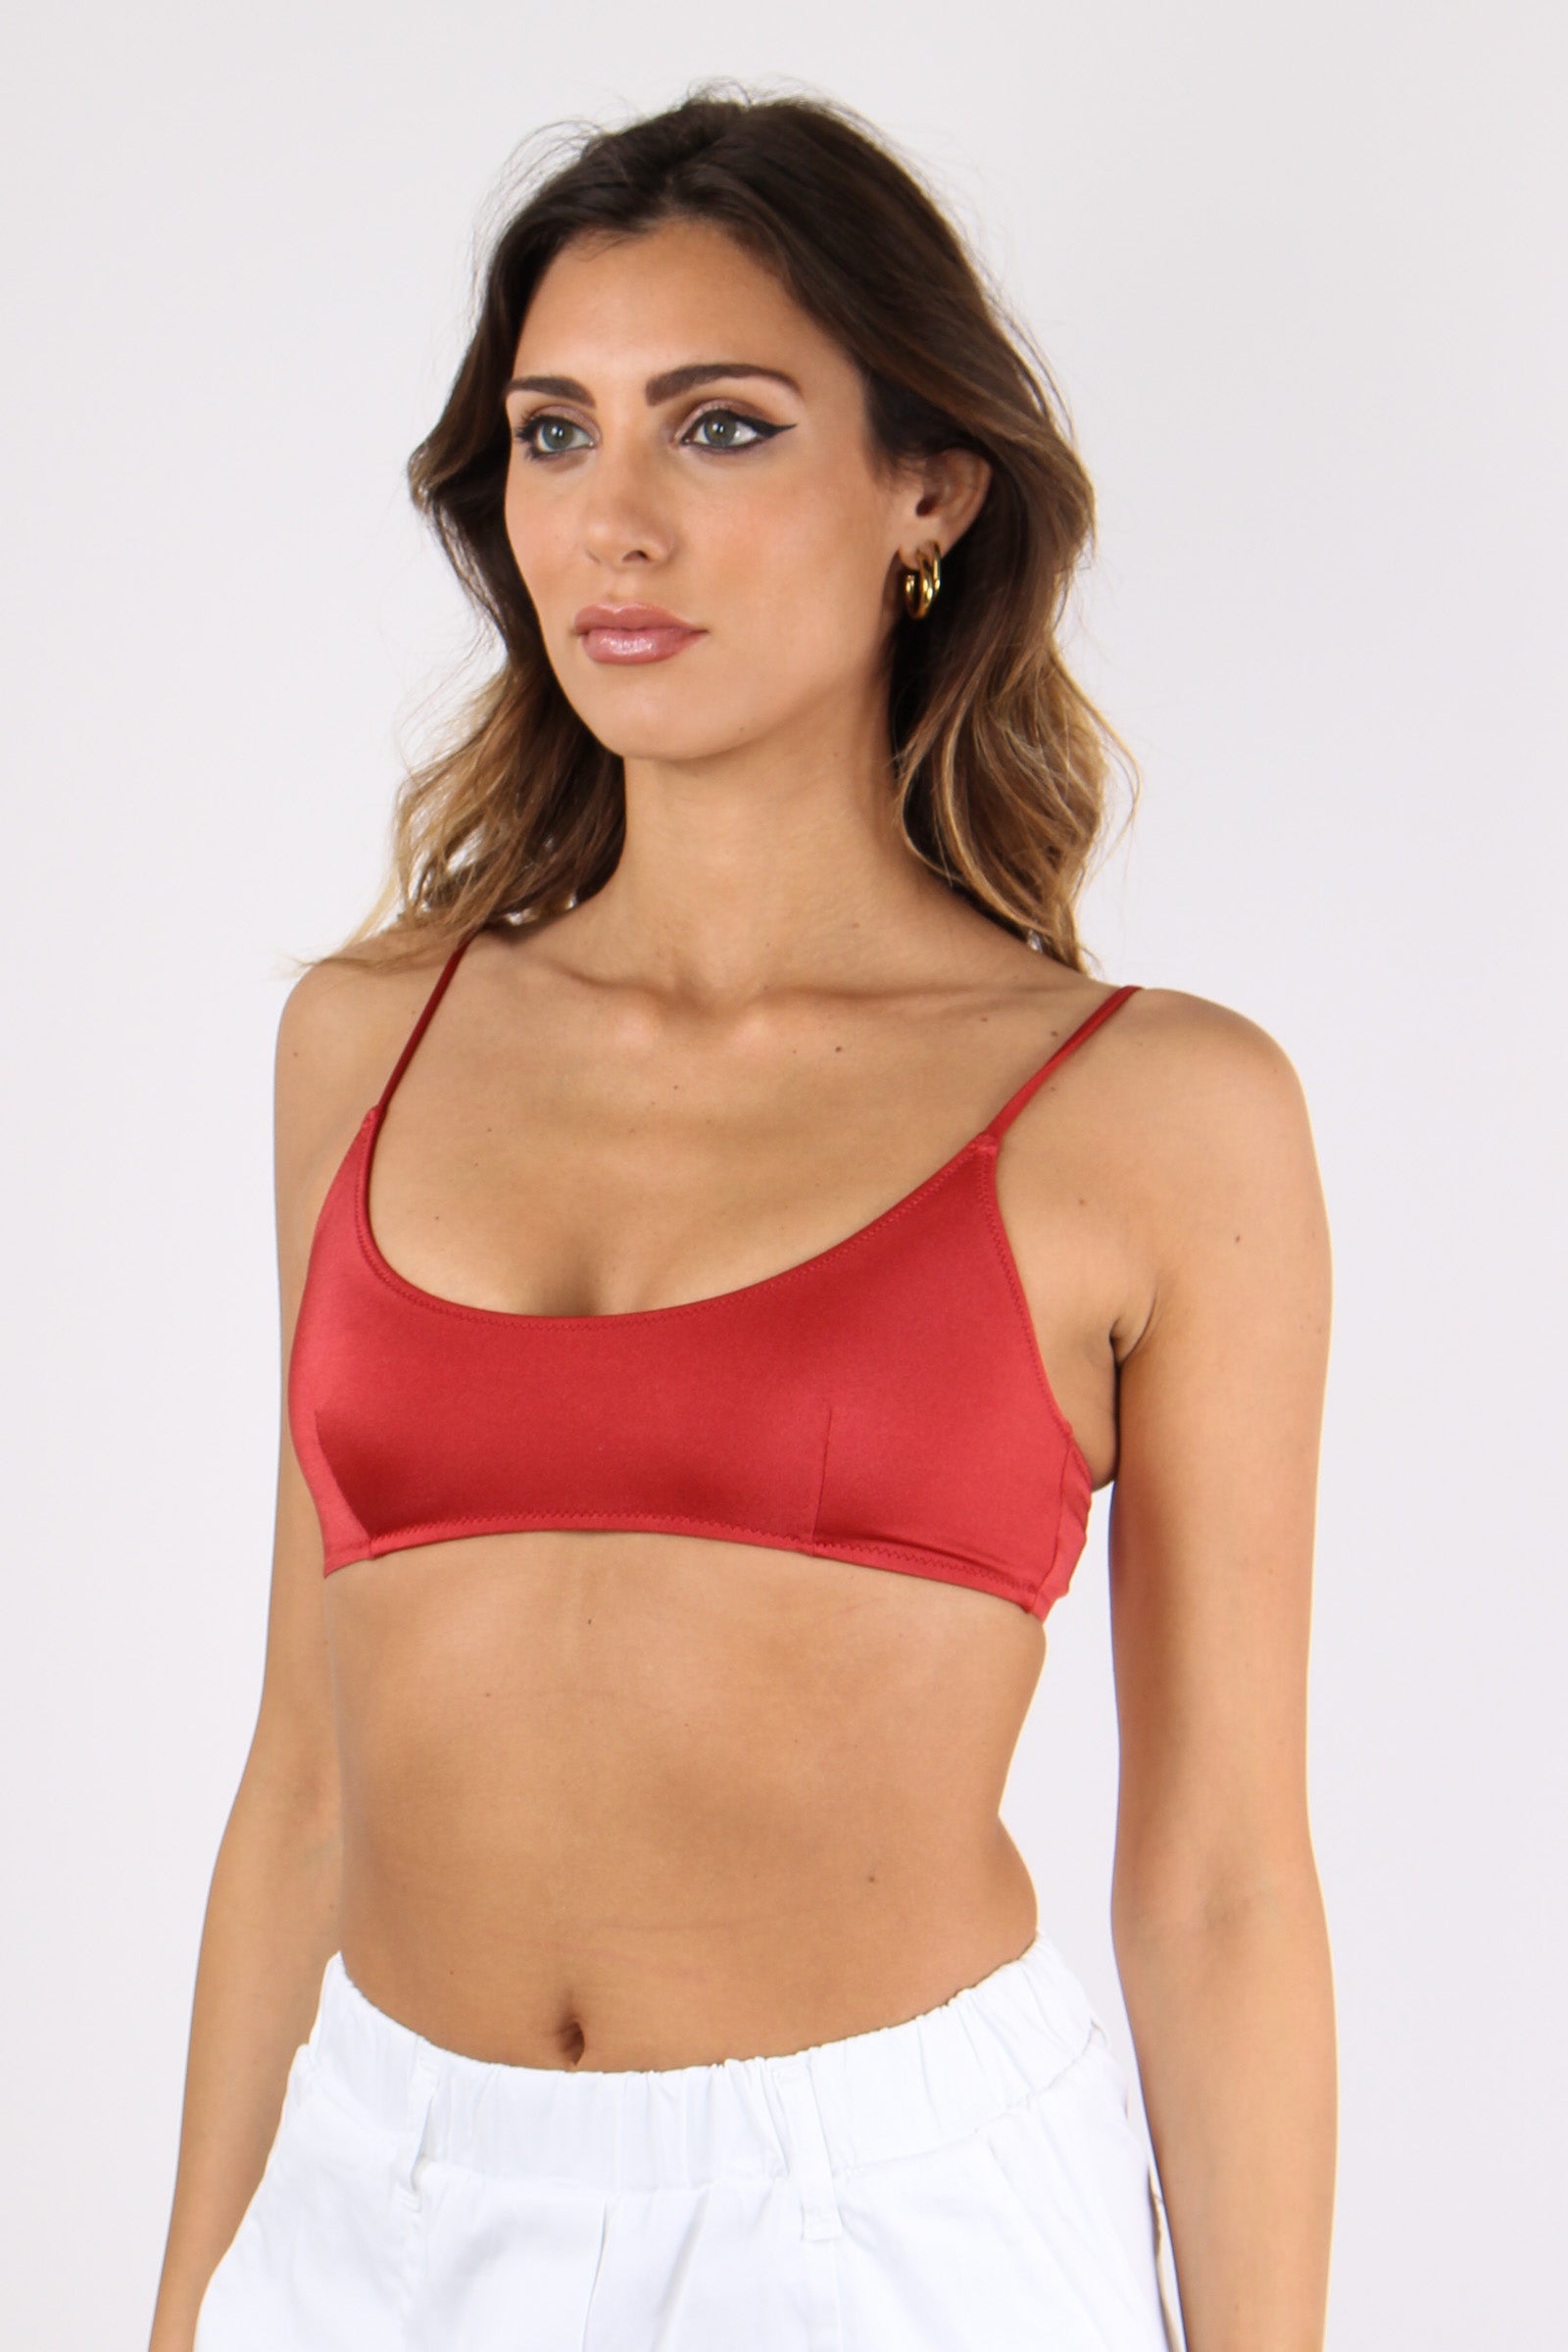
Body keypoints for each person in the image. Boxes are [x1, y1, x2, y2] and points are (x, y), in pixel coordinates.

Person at [150, 87, 1336, 2352]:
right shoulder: (365, 1042)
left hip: (884, 2237)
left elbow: (1217, 1885)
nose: (611, 523)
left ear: (926, 487)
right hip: (378, 2199)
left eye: (716, 428)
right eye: (552, 434)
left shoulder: (1152, 1114)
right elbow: (301, 1778)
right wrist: (187, 2298)